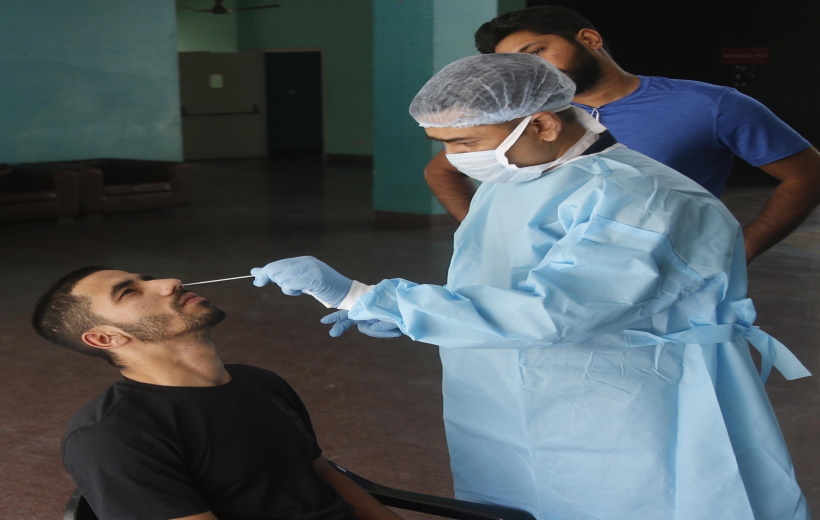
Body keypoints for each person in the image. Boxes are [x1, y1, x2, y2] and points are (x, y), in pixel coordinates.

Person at [251, 53, 812, 520]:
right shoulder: (521, 177)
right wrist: (410, 315)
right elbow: (500, 284)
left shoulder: (641, 198)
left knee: (637, 499)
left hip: (632, 397)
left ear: (542, 124)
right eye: (444, 142)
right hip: (520, 386)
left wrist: (367, 297)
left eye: (466, 140)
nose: (456, 158)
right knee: (521, 497)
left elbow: (558, 309)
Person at [423, 5, 820, 263]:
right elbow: (442, 170)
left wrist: (741, 250)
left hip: (668, 273)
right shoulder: (525, 119)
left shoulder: (708, 105)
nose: (533, 71)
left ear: (589, 39)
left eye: (536, 52)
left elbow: (806, 174)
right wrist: (487, 233)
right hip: (552, 280)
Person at [31, 266, 404, 520]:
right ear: (105, 338)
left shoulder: (260, 381)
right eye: (130, 292)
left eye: (147, 278)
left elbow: (322, 474)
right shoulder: (111, 437)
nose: (170, 281)